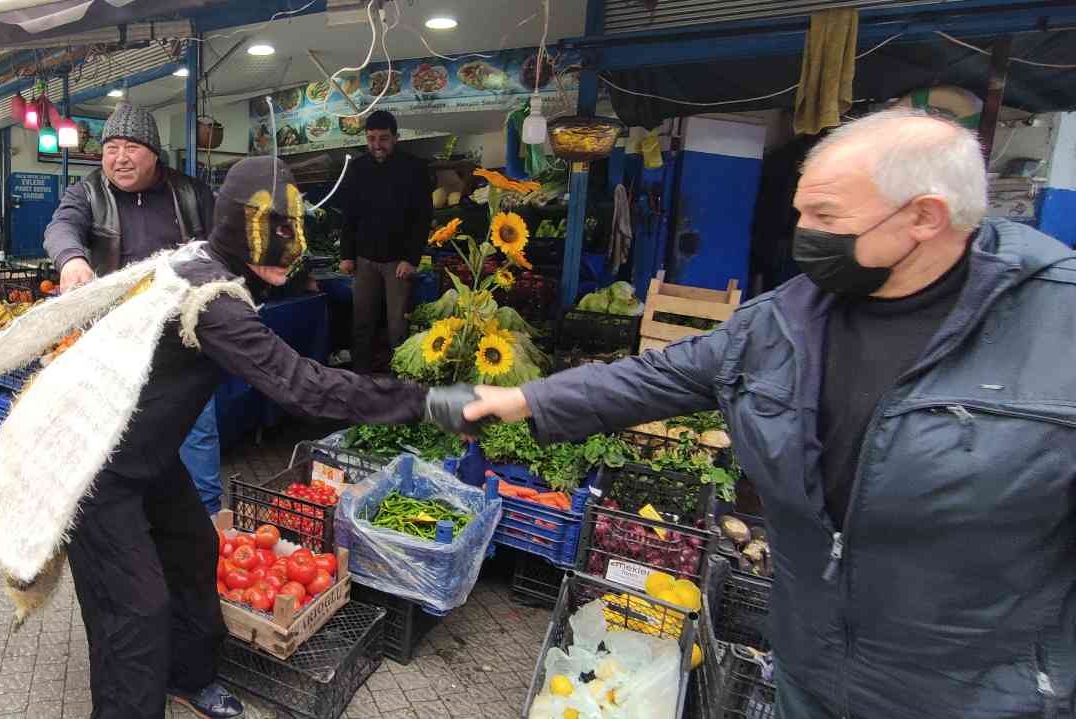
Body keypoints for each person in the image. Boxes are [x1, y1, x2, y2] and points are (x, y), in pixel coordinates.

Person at [441, 109, 1076, 719]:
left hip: (981, 694)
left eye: (825, 215)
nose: (803, 233)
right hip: (812, 666)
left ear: (925, 218)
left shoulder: (1057, 325)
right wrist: (526, 398)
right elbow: (665, 372)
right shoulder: (792, 315)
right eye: (801, 211)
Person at [0, 156, 473, 719]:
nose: (292, 247)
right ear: (238, 227)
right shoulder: (214, 302)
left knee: (194, 549)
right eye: (276, 231)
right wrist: (426, 402)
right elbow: (303, 387)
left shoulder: (202, 259)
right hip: (95, 467)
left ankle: (188, 675)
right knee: (135, 608)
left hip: (145, 454)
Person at [42, 101, 226, 514]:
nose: (120, 158)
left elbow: (221, 247)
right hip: (117, 338)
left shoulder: (191, 194)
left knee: (196, 426)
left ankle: (209, 513)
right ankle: (128, 510)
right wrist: (72, 259)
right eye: (111, 148)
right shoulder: (87, 191)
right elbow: (61, 227)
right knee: (120, 425)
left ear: (153, 152)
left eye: (131, 147)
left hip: (183, 333)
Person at [337, 110, 433, 374]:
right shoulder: (357, 169)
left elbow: (423, 217)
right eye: (371, 139)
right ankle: (360, 380)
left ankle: (399, 381)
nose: (376, 145)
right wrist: (346, 255)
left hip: (398, 263)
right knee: (361, 324)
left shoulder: (414, 168)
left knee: (397, 327)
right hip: (364, 260)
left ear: (396, 138)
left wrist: (411, 259)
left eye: (383, 139)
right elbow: (349, 215)